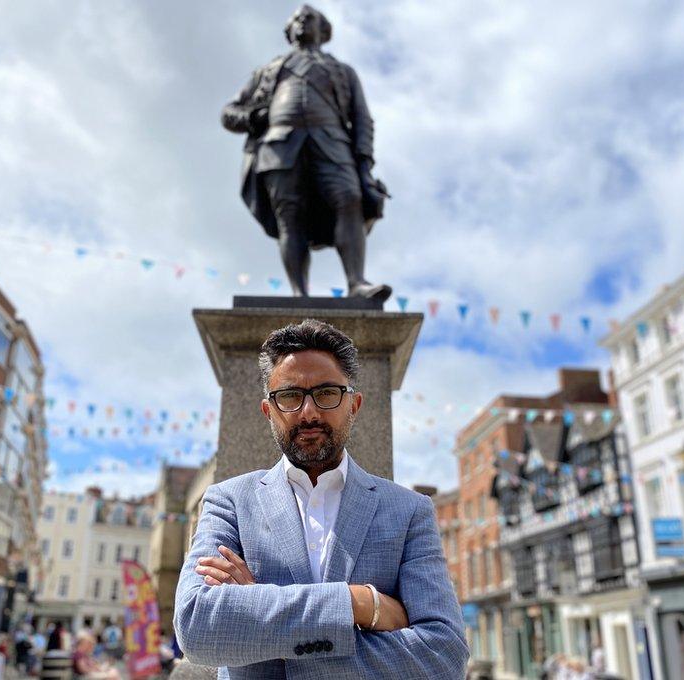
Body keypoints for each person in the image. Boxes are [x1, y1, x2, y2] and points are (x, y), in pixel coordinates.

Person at [175, 319, 470, 678]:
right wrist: (361, 604)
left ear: (354, 405)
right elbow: (197, 627)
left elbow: (444, 656)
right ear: (269, 411)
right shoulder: (229, 502)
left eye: (327, 393)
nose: (309, 412)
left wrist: (258, 612)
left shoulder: (410, 512)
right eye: (289, 396)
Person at [221, 5, 391, 301]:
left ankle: (356, 282)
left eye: (308, 18)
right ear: (288, 31)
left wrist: (364, 165)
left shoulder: (342, 71)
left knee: (350, 200)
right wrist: (252, 119)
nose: (301, 22)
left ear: (324, 30)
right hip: (279, 145)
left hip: (332, 142)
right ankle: (298, 292)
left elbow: (363, 119)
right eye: (296, 19)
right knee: (290, 216)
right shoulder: (268, 71)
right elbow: (229, 112)